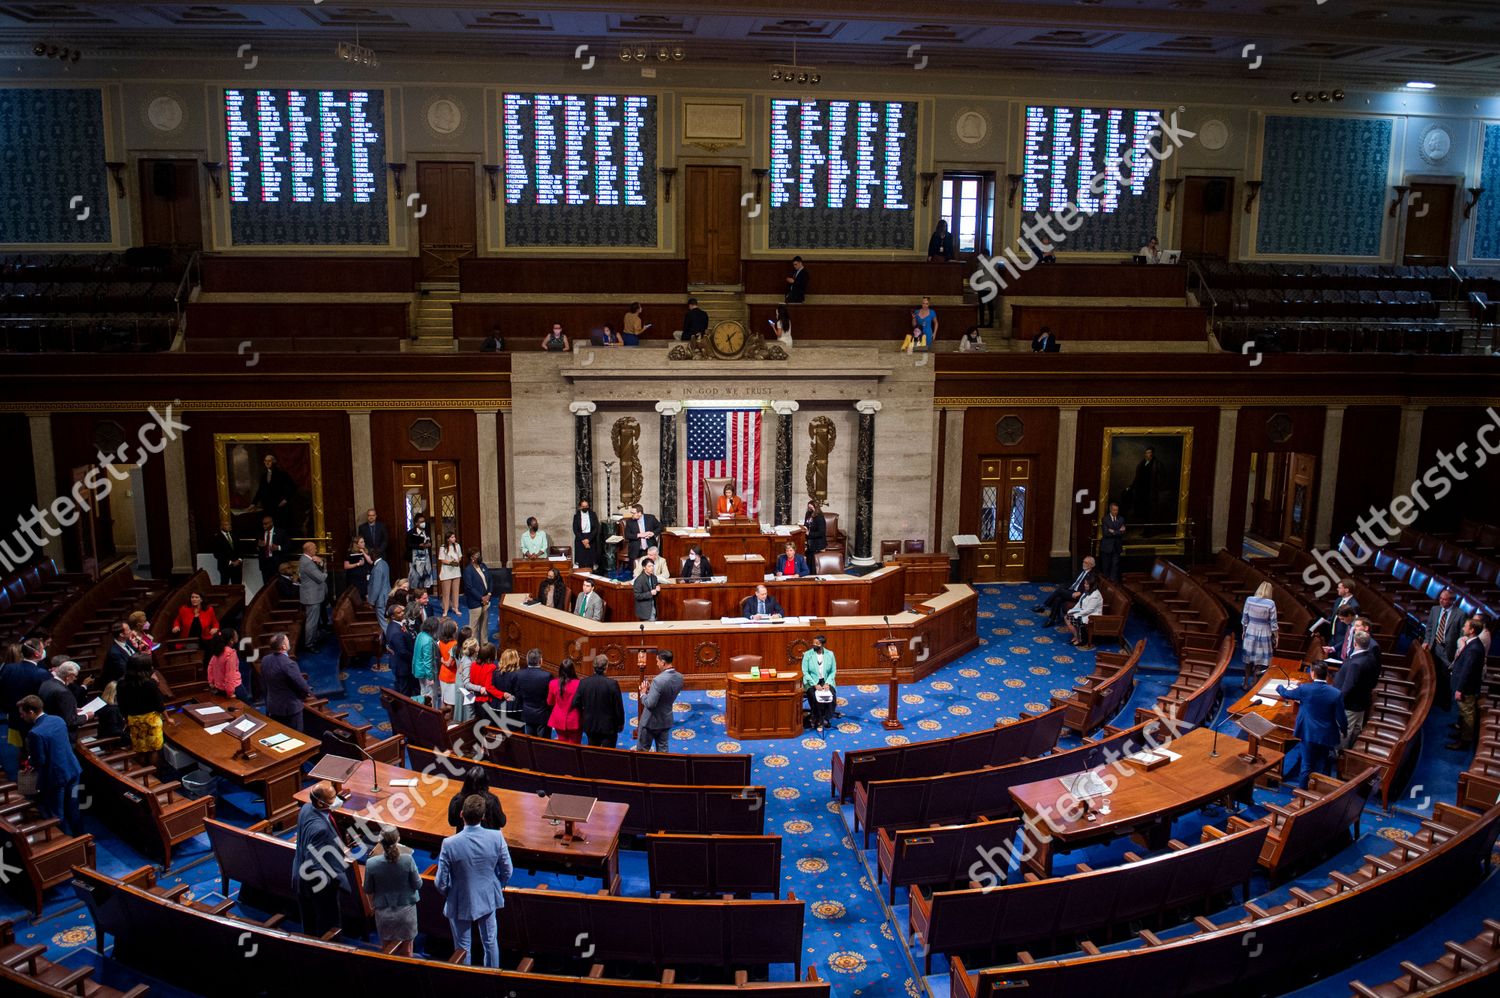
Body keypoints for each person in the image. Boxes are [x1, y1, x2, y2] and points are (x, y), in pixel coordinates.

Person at [436, 794, 513, 968]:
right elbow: (507, 870)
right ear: (484, 816)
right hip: (487, 895)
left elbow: (441, 881)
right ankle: (493, 980)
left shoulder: (449, 843)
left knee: (463, 947)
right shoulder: (497, 837)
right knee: (490, 941)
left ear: (461, 814)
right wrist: (497, 884)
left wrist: (450, 892)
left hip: (460, 897)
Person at [292, 781, 352, 937]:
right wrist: (335, 881)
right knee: (329, 927)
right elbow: (314, 865)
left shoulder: (306, 808)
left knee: (309, 924)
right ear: (320, 802)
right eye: (333, 797)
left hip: (299, 875)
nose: (337, 799)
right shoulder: (320, 829)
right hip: (317, 887)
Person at [18, 695, 82, 835]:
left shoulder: (35, 733)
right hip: (73, 770)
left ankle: (66, 843)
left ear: (31, 712)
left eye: (22, 714)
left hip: (56, 778)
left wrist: (30, 760)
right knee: (73, 807)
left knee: (56, 814)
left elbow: (39, 761)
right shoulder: (58, 720)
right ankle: (80, 836)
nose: (21, 717)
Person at [1275, 663, 1346, 788]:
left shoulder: (1305, 689)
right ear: (1327, 675)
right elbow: (1341, 717)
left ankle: (1302, 795)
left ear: (1312, 673)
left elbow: (1286, 694)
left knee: (1306, 765)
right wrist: (1344, 731)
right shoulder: (1336, 693)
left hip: (1308, 733)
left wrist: (1279, 687)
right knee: (1324, 764)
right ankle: (1321, 794)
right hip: (1326, 736)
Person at [363, 825, 421, 957]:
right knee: (407, 953)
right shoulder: (408, 859)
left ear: (380, 841)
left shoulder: (371, 863)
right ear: (398, 839)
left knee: (387, 952)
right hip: (406, 913)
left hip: (384, 914)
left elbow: (367, 889)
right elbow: (418, 884)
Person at [1332, 630, 1381, 748]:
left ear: (1354, 644)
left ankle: (1339, 754)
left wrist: (1338, 701)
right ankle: (1350, 749)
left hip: (1350, 704)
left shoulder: (1356, 664)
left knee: (1345, 730)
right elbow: (1374, 679)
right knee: (1356, 728)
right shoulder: (1371, 658)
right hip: (1362, 700)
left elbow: (1349, 686)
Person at [116, 654, 166, 760]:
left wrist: (126, 718)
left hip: (134, 720)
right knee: (154, 749)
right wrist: (168, 717)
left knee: (140, 749)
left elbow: (121, 704)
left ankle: (144, 772)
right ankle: (154, 773)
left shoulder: (121, 683)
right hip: (151, 720)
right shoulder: (150, 683)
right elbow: (159, 703)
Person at [1448, 617, 1486, 750]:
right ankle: (1461, 734)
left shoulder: (1474, 648)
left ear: (1472, 630)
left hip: (1467, 688)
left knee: (1467, 714)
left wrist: (1460, 689)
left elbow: (1467, 671)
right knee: (1464, 713)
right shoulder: (1472, 644)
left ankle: (1465, 741)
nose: (1463, 628)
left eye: (1466, 626)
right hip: (1466, 687)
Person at [262, 632, 313, 730]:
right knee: (296, 737)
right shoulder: (289, 664)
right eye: (287, 640)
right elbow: (301, 685)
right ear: (284, 646)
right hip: (290, 708)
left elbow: (264, 682)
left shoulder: (265, 660)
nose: (289, 642)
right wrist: (308, 693)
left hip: (272, 705)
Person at [637, 650, 683, 753]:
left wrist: (643, 693)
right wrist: (652, 690)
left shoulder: (658, 680)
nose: (657, 664)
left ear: (663, 662)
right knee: (663, 752)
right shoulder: (680, 677)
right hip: (666, 719)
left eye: (657, 661)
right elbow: (665, 695)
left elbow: (650, 704)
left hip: (650, 722)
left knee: (642, 752)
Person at [576, 655, 624, 748]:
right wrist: (620, 723)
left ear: (593, 667)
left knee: (593, 755)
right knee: (609, 754)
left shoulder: (583, 683)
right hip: (609, 727)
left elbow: (576, 702)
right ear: (606, 667)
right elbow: (618, 707)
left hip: (590, 724)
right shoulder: (612, 684)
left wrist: (585, 714)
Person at [1423, 588, 1462, 702]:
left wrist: (1457, 652)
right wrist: (1426, 641)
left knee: (1444, 676)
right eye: (1440, 598)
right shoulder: (1435, 609)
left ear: (1451, 601)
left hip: (1448, 650)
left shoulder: (1460, 614)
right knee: (1432, 672)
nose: (1441, 601)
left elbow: (1461, 635)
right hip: (1434, 646)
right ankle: (1432, 699)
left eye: (1444, 599)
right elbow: (1429, 628)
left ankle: (1443, 702)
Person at [1038, 557, 1095, 627]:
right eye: (1083, 562)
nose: (1083, 564)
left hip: (1079, 595)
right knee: (1058, 598)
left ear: (1091, 565)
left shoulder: (1092, 575)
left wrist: (1080, 592)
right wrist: (1065, 587)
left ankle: (1044, 606)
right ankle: (1051, 619)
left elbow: (1090, 588)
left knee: (1059, 591)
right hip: (1071, 591)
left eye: (1086, 563)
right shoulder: (1081, 571)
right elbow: (1072, 581)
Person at [446, 766, 506, 832]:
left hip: (464, 839)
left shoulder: (457, 800)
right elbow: (502, 822)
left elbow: (452, 822)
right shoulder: (492, 800)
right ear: (485, 782)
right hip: (487, 840)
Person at [1241, 581, 1279, 685]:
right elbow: (1273, 623)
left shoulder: (1249, 600)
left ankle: (1245, 683)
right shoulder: (1270, 603)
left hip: (1250, 630)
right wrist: (1276, 636)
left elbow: (1244, 619)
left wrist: (1244, 631)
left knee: (1248, 660)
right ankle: (1254, 683)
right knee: (1259, 660)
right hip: (1264, 632)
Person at [38, 659, 90, 731]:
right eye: (75, 676)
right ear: (69, 676)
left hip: (48, 725)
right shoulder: (64, 692)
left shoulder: (46, 683)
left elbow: (55, 706)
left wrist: (71, 709)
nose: (75, 679)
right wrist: (86, 716)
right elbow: (70, 721)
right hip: (60, 730)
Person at [801, 635, 837, 733]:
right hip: (811, 681)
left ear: (822, 644)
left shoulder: (830, 654)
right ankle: (820, 720)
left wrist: (828, 683)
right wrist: (814, 684)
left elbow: (833, 671)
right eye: (814, 643)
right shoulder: (808, 654)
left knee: (831, 694)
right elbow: (805, 671)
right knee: (815, 696)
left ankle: (826, 716)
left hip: (825, 680)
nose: (814, 645)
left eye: (817, 643)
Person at [514, 649, 553, 738]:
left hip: (527, 714)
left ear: (527, 660)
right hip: (543, 715)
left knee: (529, 743)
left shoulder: (519, 674)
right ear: (541, 661)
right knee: (543, 744)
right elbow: (550, 696)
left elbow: (517, 693)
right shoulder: (547, 676)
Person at [298, 542, 327, 652]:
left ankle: (312, 639)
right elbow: (321, 577)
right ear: (309, 550)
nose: (316, 550)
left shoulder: (305, 560)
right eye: (315, 548)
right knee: (312, 621)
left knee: (313, 620)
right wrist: (323, 564)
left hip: (311, 595)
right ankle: (309, 644)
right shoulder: (307, 563)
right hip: (311, 596)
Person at [254, 453, 297, 528]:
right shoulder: (263, 476)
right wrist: (253, 503)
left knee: (279, 526)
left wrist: (285, 500)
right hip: (267, 507)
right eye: (265, 461)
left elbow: (293, 487)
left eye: (269, 461)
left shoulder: (282, 474)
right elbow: (260, 491)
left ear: (274, 462)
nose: (267, 463)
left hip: (279, 507)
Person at [547, 658, 583, 744]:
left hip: (558, 719)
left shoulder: (553, 683)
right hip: (575, 720)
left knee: (563, 746)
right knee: (575, 747)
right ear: (573, 670)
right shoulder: (580, 683)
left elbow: (550, 702)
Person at [385, 604, 417, 697]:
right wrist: (415, 658)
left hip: (401, 664)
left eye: (402, 611)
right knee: (404, 692)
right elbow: (402, 652)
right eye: (399, 613)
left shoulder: (394, 624)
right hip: (402, 666)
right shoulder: (395, 631)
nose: (403, 613)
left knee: (402, 687)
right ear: (392, 616)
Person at [1065, 579, 1104, 649]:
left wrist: (1076, 614)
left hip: (1092, 616)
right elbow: (1079, 603)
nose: (1085, 585)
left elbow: (1089, 610)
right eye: (1085, 583)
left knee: (1073, 618)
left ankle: (1081, 640)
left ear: (1092, 585)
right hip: (1083, 611)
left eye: (1087, 584)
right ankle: (1076, 636)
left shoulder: (1095, 595)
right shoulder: (1087, 591)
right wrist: (1072, 610)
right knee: (1067, 617)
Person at [461, 549, 491, 637]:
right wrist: (481, 598)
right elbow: (469, 588)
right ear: (472, 558)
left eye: (479, 554)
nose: (479, 556)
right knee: (473, 627)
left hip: (486, 600)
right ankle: (472, 647)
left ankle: (484, 645)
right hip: (475, 602)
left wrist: (489, 594)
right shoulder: (468, 570)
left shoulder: (483, 566)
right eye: (477, 555)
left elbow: (490, 580)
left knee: (484, 625)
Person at [206, 629, 243, 700]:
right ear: (231, 640)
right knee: (247, 708)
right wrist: (230, 692)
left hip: (220, 688)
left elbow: (210, 667)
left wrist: (211, 682)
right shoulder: (231, 653)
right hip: (234, 688)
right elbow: (230, 674)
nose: (237, 635)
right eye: (236, 634)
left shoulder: (218, 650)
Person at [412, 615, 440, 707]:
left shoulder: (421, 634)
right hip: (426, 673)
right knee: (431, 696)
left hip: (419, 669)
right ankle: (432, 716)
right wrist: (430, 677)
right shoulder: (428, 640)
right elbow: (427, 661)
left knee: (424, 693)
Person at [434, 531, 462, 618]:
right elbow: (442, 559)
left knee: (456, 591)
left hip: (456, 571)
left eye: (454, 537)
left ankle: (455, 608)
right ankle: (445, 610)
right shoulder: (443, 547)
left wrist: (457, 560)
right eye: (452, 537)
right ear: (448, 539)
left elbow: (460, 556)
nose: (454, 538)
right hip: (446, 571)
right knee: (446, 592)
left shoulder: (457, 546)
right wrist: (450, 562)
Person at [257, 514, 287, 591]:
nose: (264, 526)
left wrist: (278, 547)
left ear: (271, 523)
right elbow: (256, 547)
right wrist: (259, 546)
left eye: (266, 524)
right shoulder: (260, 533)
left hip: (277, 563)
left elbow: (289, 545)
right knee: (266, 586)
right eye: (263, 524)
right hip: (265, 564)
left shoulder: (281, 532)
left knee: (279, 585)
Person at [436, 619, 461, 710]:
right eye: (456, 627)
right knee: (451, 704)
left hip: (443, 674)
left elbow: (439, 657)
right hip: (452, 675)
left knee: (443, 699)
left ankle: (440, 720)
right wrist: (444, 661)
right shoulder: (455, 644)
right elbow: (449, 664)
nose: (457, 628)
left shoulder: (440, 642)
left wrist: (442, 660)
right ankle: (448, 722)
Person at [211, 515, 242, 586]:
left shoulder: (234, 535)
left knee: (237, 586)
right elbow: (217, 554)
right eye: (226, 525)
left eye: (229, 524)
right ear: (221, 526)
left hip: (237, 566)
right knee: (224, 585)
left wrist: (239, 560)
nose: (229, 526)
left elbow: (240, 549)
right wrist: (230, 562)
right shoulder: (217, 538)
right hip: (225, 566)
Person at [1097, 502, 1125, 581]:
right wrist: (1118, 531)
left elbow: (1123, 532)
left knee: (1115, 565)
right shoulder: (1105, 519)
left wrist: (1113, 531)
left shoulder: (1121, 519)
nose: (1116, 512)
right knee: (1106, 565)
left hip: (1117, 547)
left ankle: (1113, 582)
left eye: (1117, 510)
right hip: (1107, 547)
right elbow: (1106, 533)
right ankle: (1106, 581)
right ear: (1110, 510)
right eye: (1114, 510)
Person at [103, 622, 135, 687]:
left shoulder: (128, 642)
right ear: (121, 634)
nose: (131, 631)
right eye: (128, 630)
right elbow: (126, 671)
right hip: (125, 685)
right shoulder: (114, 653)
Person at [571, 498, 600, 570]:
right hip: (580, 538)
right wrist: (583, 540)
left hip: (591, 537)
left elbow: (596, 528)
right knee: (581, 559)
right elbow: (575, 529)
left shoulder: (593, 514)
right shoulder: (576, 516)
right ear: (580, 507)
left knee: (591, 559)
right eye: (583, 506)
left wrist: (588, 539)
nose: (585, 508)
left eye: (586, 506)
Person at [406, 514, 434, 589]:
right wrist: (419, 545)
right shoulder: (411, 532)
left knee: (425, 575)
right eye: (421, 521)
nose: (423, 523)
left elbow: (429, 541)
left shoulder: (426, 531)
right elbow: (408, 544)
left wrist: (428, 544)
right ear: (416, 523)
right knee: (416, 577)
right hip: (416, 558)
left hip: (426, 557)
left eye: (423, 521)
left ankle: (424, 592)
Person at [367, 545, 391, 629]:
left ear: (373, 556)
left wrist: (371, 602)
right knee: (387, 622)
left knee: (384, 625)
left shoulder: (377, 568)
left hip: (381, 600)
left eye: (370, 555)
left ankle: (390, 641)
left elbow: (376, 587)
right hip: (386, 597)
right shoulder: (384, 563)